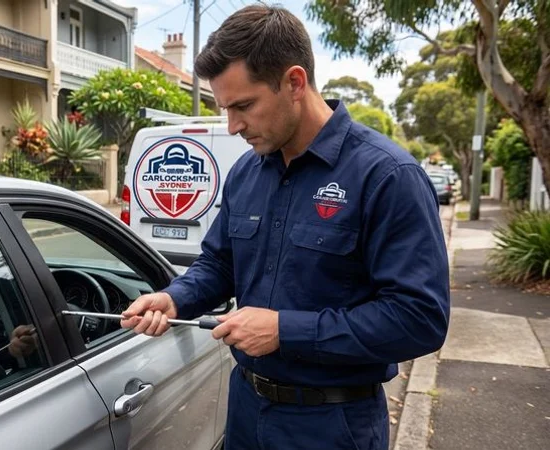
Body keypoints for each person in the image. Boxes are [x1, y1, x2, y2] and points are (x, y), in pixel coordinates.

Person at [121, 5, 450, 449]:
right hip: (245, 410)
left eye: (244, 106)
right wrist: (174, 297)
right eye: (226, 108)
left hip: (332, 424)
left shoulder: (387, 176)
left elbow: (420, 319)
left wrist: (284, 330)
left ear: (294, 82)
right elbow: (220, 264)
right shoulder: (246, 173)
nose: (233, 126)